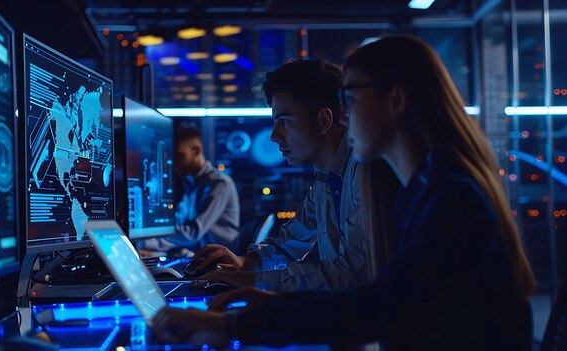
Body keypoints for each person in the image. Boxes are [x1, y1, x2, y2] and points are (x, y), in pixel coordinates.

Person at [151, 35, 535, 350]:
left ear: (396, 101)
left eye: (350, 100)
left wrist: (239, 322)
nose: (344, 116)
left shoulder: (448, 197)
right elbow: (382, 301)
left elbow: (372, 304)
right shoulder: (427, 187)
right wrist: (258, 298)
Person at [189, 59, 393, 292]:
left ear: (324, 120)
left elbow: (351, 275)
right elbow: (292, 242)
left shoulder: (364, 172)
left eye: (284, 121)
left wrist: (253, 282)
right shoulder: (326, 179)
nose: (274, 135)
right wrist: (247, 263)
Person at [143, 125, 240, 253]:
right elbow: (180, 223)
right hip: (198, 254)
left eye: (179, 155)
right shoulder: (191, 182)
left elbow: (193, 233)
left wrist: (144, 242)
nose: (175, 161)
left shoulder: (220, 183)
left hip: (220, 261)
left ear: (197, 151)